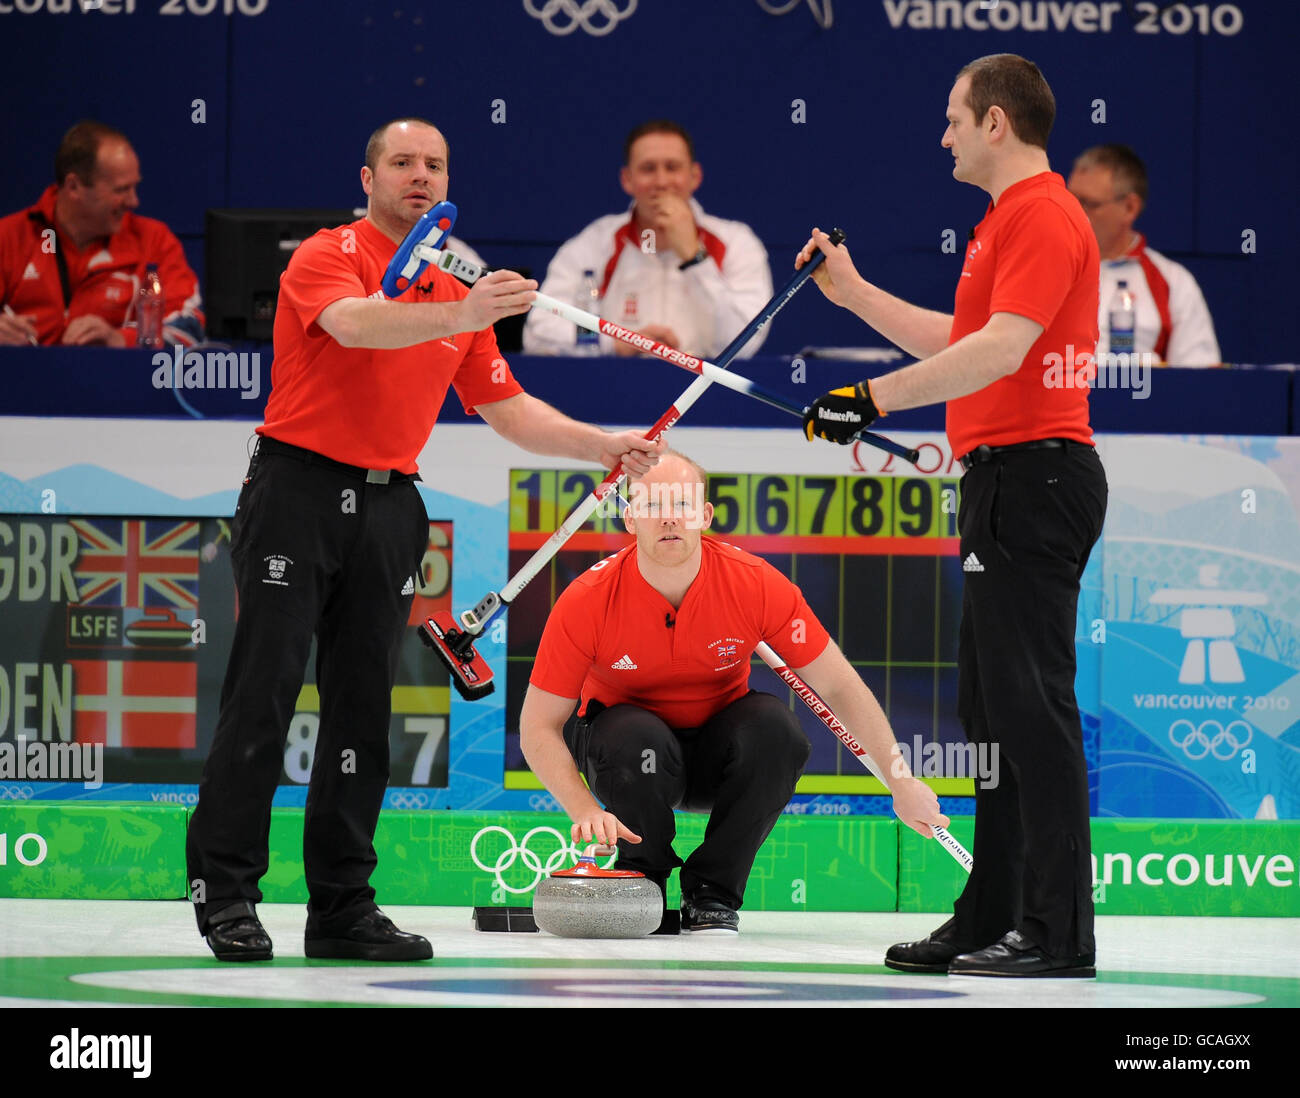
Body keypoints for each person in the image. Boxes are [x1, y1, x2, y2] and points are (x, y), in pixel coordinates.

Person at [185, 117, 661, 963]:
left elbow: (507, 410)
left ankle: (341, 907)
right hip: (297, 487)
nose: (420, 175)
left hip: (391, 504)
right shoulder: (327, 255)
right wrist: (464, 306)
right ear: (365, 176)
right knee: (263, 694)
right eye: (402, 162)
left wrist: (601, 445)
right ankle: (226, 894)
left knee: (363, 711)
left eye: (434, 165)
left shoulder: (456, 288)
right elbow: (356, 326)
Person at [799, 54, 1108, 977]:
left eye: (952, 119)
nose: (943, 135)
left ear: (996, 123)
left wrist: (871, 399)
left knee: (1032, 713)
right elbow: (967, 340)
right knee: (993, 713)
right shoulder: (1005, 221)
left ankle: (1058, 936)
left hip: (1037, 482)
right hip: (1003, 484)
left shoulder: (1045, 214)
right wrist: (851, 295)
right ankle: (992, 918)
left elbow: (1003, 355)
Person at [520, 451, 945, 932]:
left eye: (682, 502)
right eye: (653, 503)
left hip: (713, 760)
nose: (669, 516)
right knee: (633, 733)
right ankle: (643, 880)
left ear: (705, 515)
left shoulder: (756, 584)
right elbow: (538, 727)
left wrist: (900, 780)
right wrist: (583, 809)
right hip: (627, 755)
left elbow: (840, 685)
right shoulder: (587, 599)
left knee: (776, 730)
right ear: (629, 516)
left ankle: (712, 893)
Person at [522, 120, 773, 359]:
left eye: (672, 167)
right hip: (613, 388)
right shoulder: (593, 244)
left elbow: (745, 344)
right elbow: (539, 329)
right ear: (627, 179)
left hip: (705, 391)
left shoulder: (736, 244)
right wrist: (616, 342)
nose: (661, 182)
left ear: (694, 176)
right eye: (648, 169)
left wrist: (694, 257)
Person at [0, 120, 204, 348]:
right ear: (74, 186)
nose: (134, 201)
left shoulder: (154, 241)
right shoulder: (9, 238)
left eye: (134, 187)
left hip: (118, 380)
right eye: (121, 190)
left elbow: (191, 328)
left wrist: (120, 340)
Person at [1067, 144, 1220, 366]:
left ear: (1130, 207)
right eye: (1070, 200)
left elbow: (1198, 380)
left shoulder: (1173, 281)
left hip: (1140, 398)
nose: (1073, 212)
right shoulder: (1040, 267)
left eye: (1088, 204)